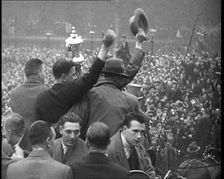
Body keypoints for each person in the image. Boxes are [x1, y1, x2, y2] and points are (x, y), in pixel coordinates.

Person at [70, 28, 147, 139]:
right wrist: (139, 43)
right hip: (117, 150)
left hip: (91, 147)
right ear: (121, 77)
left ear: (103, 74)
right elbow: (131, 69)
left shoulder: (89, 94)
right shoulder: (129, 100)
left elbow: (78, 123)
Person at [35, 29, 115, 127]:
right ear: (63, 76)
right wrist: (105, 47)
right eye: (72, 75)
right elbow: (91, 76)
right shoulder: (70, 91)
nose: (75, 78)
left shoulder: (41, 98)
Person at [6, 120, 73, 179]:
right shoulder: (63, 171)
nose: (55, 144)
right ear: (48, 140)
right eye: (53, 139)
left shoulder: (12, 169)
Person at [9, 58, 48, 152]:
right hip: (39, 146)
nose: (45, 75)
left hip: (18, 147)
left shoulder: (14, 93)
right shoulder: (46, 92)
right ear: (39, 72)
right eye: (44, 71)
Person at [108, 111, 156, 178]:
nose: (139, 136)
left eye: (141, 132)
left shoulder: (139, 147)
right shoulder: (109, 149)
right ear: (124, 129)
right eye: (135, 131)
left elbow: (149, 170)